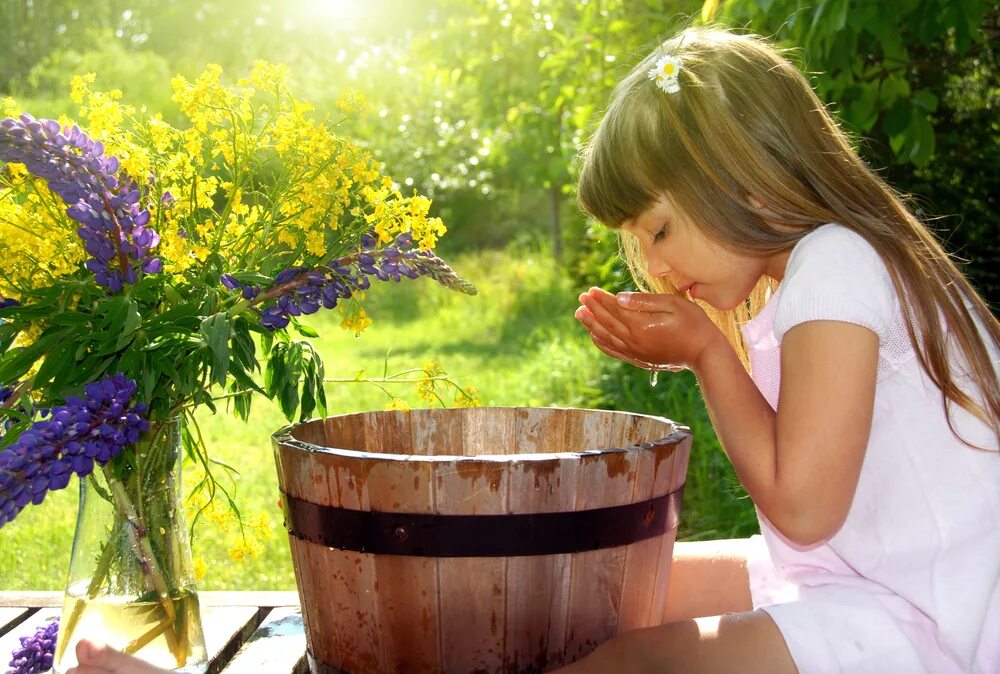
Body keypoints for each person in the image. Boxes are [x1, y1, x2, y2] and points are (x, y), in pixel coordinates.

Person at [569, 26, 999, 674]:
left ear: (740, 178)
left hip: (936, 622)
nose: (654, 267)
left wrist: (708, 355)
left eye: (659, 229)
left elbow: (802, 509)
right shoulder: (820, 267)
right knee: (598, 586)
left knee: (638, 660)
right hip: (863, 578)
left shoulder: (834, 264)